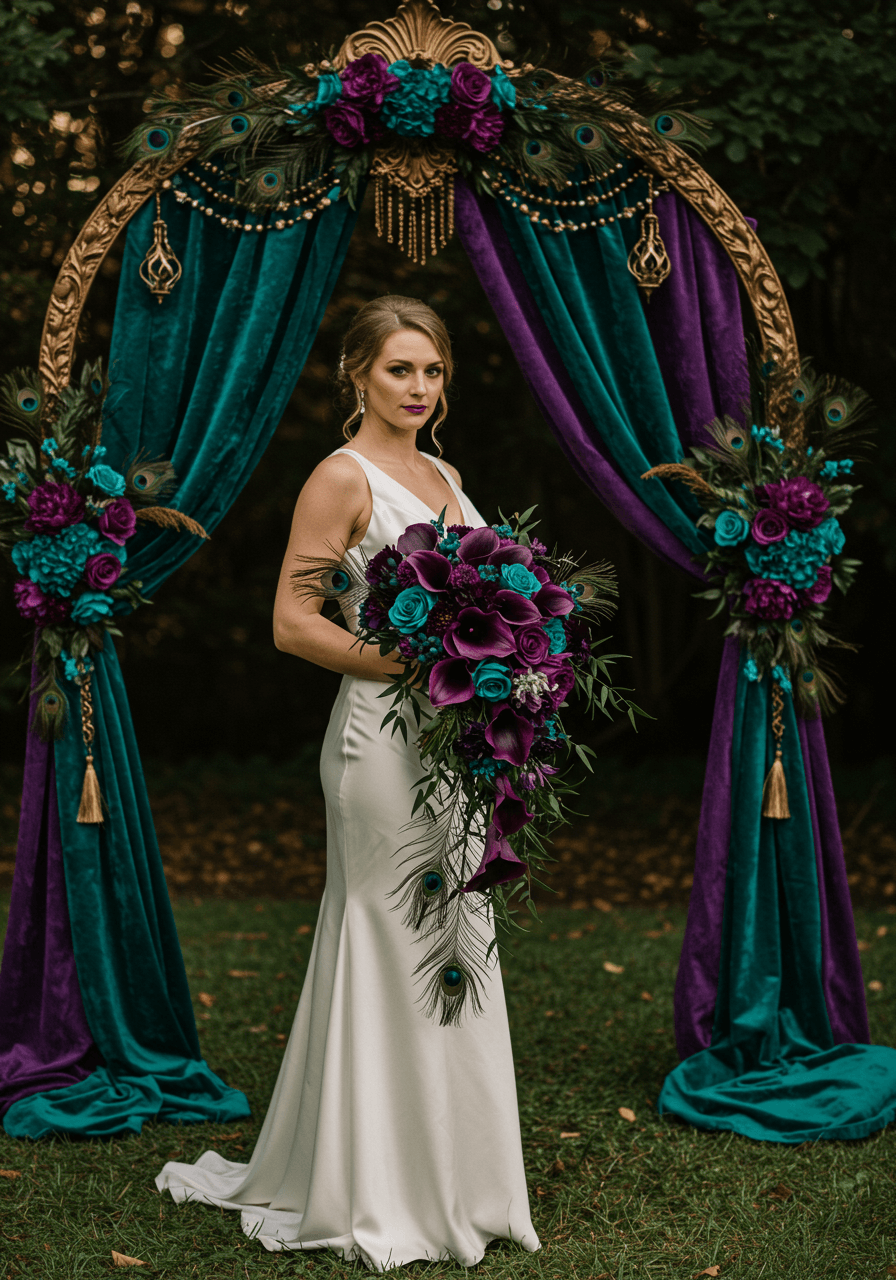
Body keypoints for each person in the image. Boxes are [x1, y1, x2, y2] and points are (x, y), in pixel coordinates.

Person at [155, 296, 540, 1270]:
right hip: (382, 742)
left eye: (432, 371)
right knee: (385, 933)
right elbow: (293, 618)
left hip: (458, 744)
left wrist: (503, 665)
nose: (418, 388)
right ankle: (374, 1183)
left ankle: (457, 1177)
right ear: (356, 375)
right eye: (399, 369)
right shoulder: (341, 475)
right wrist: (416, 663)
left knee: (460, 933)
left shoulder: (445, 472)